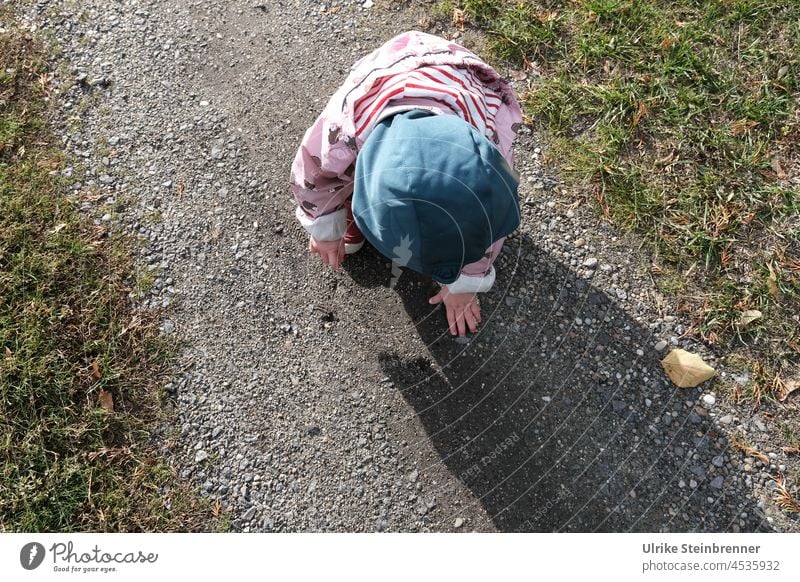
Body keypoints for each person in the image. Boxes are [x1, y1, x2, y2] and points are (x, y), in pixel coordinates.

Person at [290, 31, 523, 337]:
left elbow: (487, 232)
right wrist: (324, 228)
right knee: (336, 174)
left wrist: (463, 285)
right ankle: (354, 206)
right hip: (393, 71)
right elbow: (312, 178)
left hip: (464, 81)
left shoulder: (493, 153)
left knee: (471, 220)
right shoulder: (342, 134)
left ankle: (382, 216)